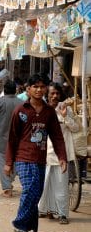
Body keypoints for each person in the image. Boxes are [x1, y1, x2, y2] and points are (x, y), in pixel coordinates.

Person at [5, 74, 67, 232]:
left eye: (42, 86)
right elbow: (12, 138)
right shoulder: (20, 110)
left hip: (41, 159)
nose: (39, 90)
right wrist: (8, 162)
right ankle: (19, 226)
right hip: (23, 158)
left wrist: (62, 157)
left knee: (36, 194)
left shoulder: (49, 112)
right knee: (30, 189)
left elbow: (57, 136)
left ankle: (30, 230)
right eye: (35, 87)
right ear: (28, 89)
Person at [38, 83, 78, 224]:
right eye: (52, 93)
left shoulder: (65, 108)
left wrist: (66, 117)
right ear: (47, 95)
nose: (55, 96)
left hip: (62, 154)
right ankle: (45, 210)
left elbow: (75, 128)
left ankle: (62, 214)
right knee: (44, 184)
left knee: (61, 186)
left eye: (57, 93)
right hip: (45, 154)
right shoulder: (42, 109)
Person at [0, 80, 22, 197]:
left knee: (2, 163)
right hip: (18, 140)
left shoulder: (0, 102)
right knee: (15, 162)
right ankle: (9, 182)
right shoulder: (21, 103)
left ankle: (7, 188)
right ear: (15, 90)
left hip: (2, 138)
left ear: (4, 90)